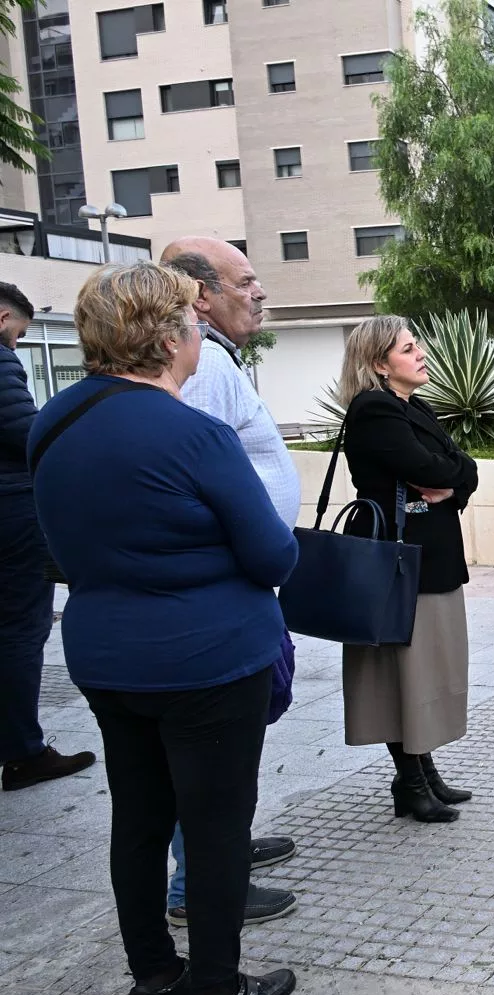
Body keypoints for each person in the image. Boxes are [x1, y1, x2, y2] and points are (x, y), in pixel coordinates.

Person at [28, 262, 299, 995]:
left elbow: (62, 541)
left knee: (139, 818)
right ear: (169, 336)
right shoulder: (194, 433)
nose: (197, 333)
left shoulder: (55, 421)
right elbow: (272, 555)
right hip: (207, 661)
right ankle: (215, 990)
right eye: (190, 321)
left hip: (108, 653)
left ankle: (153, 979)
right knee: (215, 825)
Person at [160, 238, 298, 927]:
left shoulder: (217, 357)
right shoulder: (205, 362)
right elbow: (197, 472)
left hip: (241, 581)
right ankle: (199, 884)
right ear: (201, 296)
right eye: (245, 281)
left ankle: (225, 851)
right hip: (227, 587)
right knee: (215, 743)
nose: (259, 291)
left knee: (236, 736)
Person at [336, 316, 480, 823]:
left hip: (426, 559)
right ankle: (410, 781)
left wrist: (454, 478)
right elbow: (436, 469)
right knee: (402, 675)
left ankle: (424, 773)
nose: (421, 354)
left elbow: (463, 468)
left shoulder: (412, 405)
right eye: (407, 348)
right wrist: (452, 476)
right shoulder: (374, 409)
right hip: (396, 565)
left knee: (423, 672)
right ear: (379, 364)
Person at [0, 282, 96, 791]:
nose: (15, 346)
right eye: (17, 336)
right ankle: (23, 752)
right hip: (10, 515)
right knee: (20, 626)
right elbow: (27, 432)